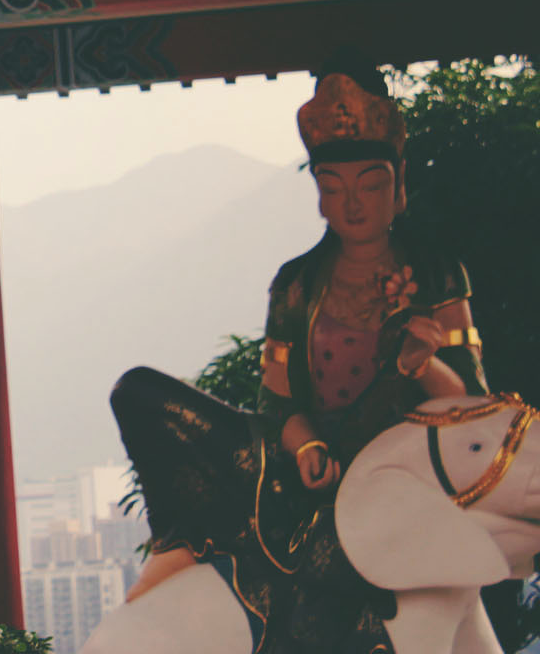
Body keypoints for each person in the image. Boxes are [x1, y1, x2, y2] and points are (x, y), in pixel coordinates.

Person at [110, 57, 487, 652]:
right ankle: (184, 543)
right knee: (139, 392)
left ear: (398, 184)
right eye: (334, 188)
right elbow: (276, 403)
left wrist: (424, 364)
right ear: (319, 194)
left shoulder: (437, 274)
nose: (353, 205)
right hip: (306, 475)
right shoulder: (296, 284)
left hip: (404, 480)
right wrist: (307, 444)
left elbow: (476, 411)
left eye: (370, 185)